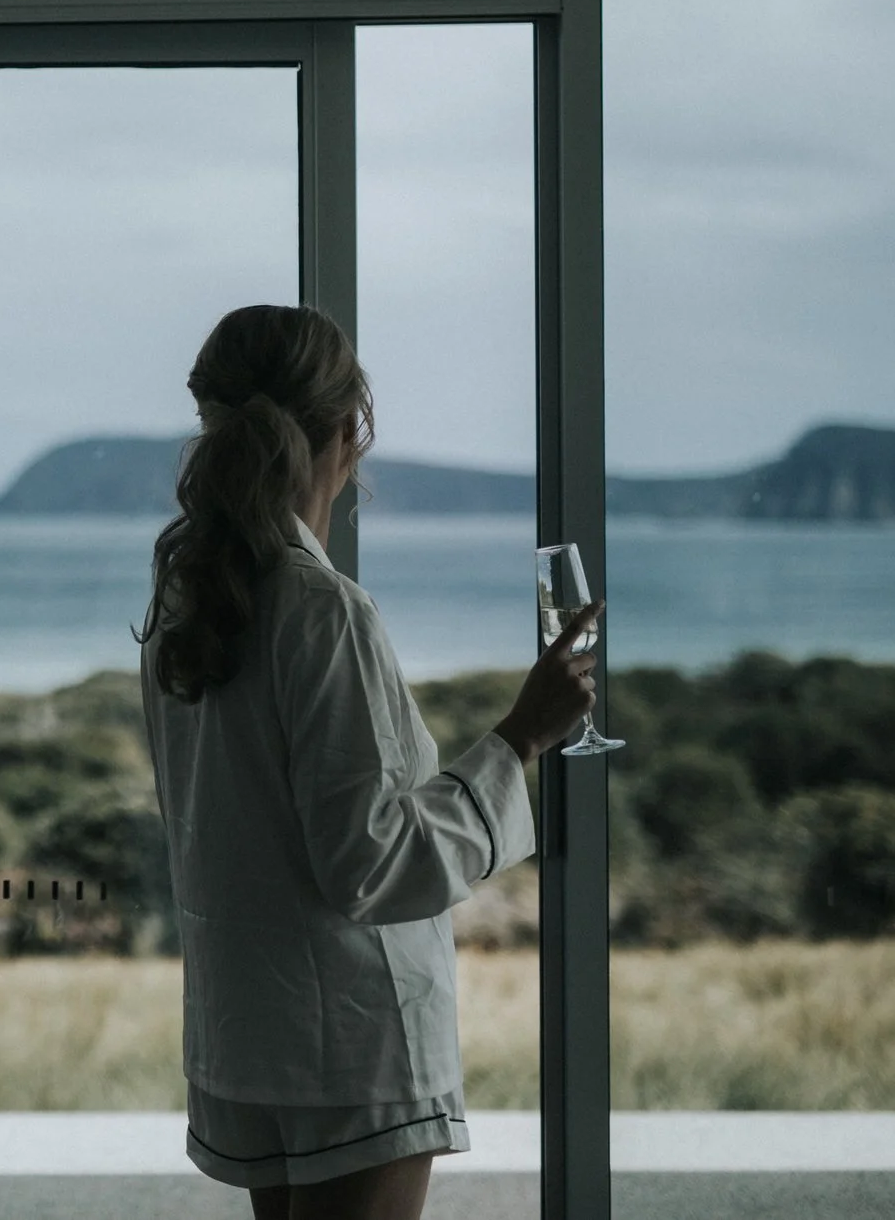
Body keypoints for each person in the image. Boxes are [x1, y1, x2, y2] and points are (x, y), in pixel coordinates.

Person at [136, 305, 599, 1220]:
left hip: (250, 1030)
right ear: (351, 432)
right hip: (349, 1041)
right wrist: (522, 735)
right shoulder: (319, 608)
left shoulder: (188, 601)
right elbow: (372, 859)